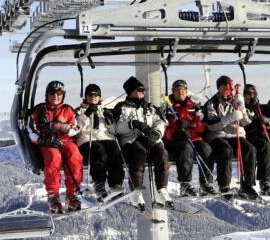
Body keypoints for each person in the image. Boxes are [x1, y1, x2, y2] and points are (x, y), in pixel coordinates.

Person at [114, 77, 172, 209]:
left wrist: (156, 133)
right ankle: (136, 191)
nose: (143, 92)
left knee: (161, 152)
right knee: (138, 153)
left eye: (143, 90)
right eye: (139, 90)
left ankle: (162, 189)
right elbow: (116, 127)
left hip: (149, 138)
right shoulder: (121, 107)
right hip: (130, 140)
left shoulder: (149, 107)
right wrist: (132, 124)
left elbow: (161, 121)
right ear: (131, 92)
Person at [27, 80, 83, 213]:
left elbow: (75, 128)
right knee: (54, 157)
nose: (56, 96)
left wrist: (62, 127)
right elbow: (31, 131)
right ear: (47, 95)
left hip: (65, 141)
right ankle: (53, 195)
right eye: (52, 93)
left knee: (75, 156)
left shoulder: (67, 110)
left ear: (63, 95)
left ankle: (72, 194)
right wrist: (44, 141)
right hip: (47, 143)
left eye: (59, 93)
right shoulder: (39, 110)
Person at [204, 75, 259, 199]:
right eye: (224, 87)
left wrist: (242, 106)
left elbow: (246, 122)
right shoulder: (212, 103)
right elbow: (211, 125)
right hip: (218, 135)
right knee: (225, 150)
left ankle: (247, 185)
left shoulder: (235, 101)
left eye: (229, 87)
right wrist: (228, 118)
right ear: (219, 88)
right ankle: (224, 185)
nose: (227, 90)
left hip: (235, 134)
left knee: (250, 149)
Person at [163, 79, 217, 197]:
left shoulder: (193, 106)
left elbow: (202, 126)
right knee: (186, 149)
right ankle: (185, 184)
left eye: (183, 90)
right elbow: (163, 127)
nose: (181, 92)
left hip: (193, 136)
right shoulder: (168, 107)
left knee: (206, 149)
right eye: (178, 90)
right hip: (177, 139)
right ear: (173, 92)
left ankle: (206, 184)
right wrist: (174, 132)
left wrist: (190, 125)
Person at [75, 83, 125, 202]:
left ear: (99, 97)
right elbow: (76, 128)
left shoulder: (104, 110)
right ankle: (99, 185)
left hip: (106, 138)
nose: (93, 97)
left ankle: (116, 184)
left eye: (96, 95)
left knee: (114, 150)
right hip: (87, 140)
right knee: (98, 151)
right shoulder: (79, 110)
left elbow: (113, 131)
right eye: (90, 95)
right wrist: (86, 115)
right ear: (86, 97)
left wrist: (110, 121)